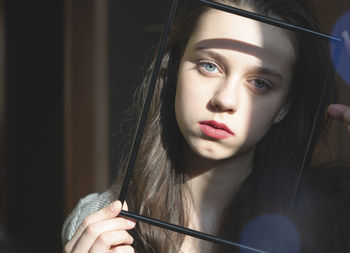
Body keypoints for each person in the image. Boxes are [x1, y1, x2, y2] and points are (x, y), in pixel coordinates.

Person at [62, 0, 350, 252]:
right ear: (174, 68)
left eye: (260, 83)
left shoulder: (333, 223)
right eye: (209, 66)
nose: (225, 99)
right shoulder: (100, 222)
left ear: (284, 106)